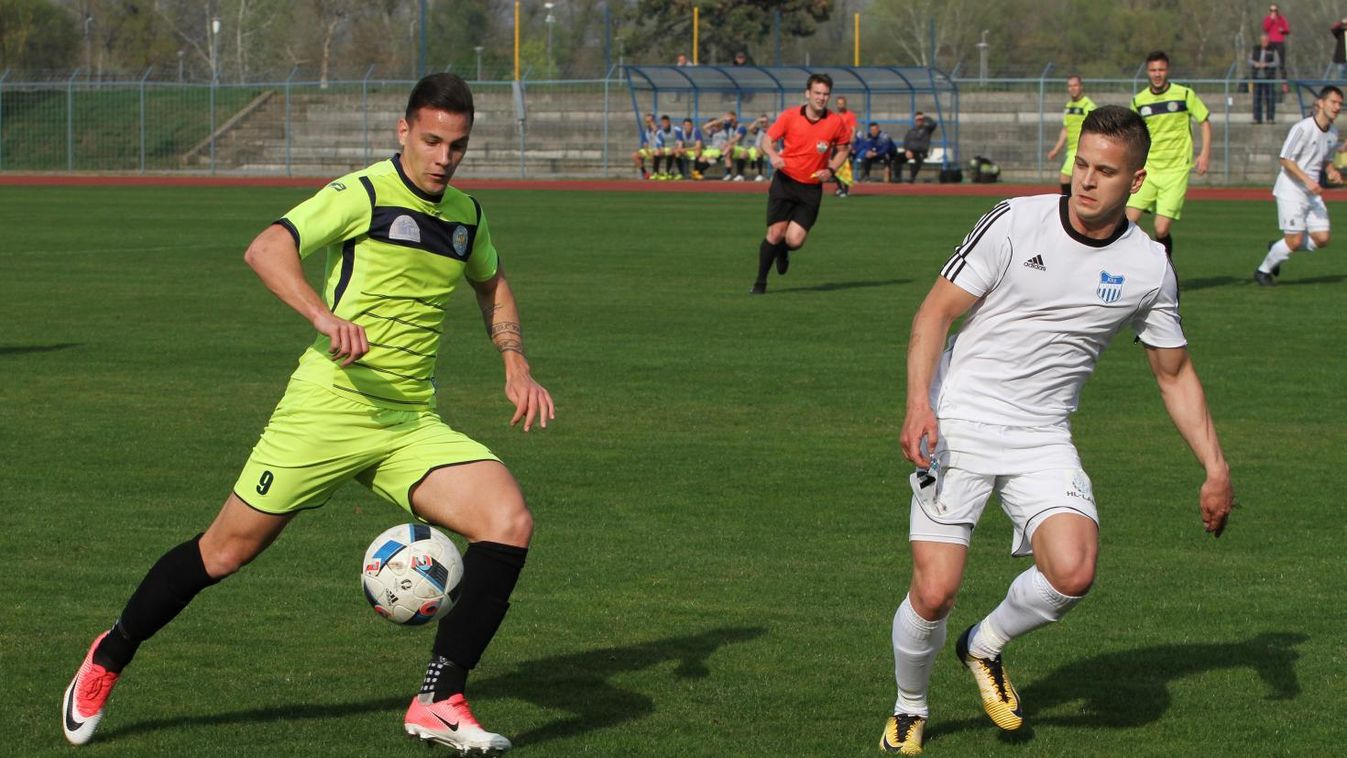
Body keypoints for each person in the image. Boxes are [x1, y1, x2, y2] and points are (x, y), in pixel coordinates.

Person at [60, 73, 556, 754]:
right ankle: (109, 655)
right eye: (433, 140)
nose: (444, 157)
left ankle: (439, 698)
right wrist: (324, 315)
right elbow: (266, 248)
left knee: (508, 522)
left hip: (407, 422)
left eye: (458, 146)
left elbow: (491, 281)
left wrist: (514, 360)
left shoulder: (467, 216)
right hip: (326, 410)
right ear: (403, 131)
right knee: (224, 552)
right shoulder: (361, 193)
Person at [880, 105, 1234, 756]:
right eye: (1080, 164)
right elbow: (934, 313)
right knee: (933, 591)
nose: (1085, 180)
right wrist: (917, 405)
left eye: (1104, 171)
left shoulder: (1147, 266)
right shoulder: (1016, 222)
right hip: (960, 415)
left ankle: (982, 646)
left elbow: (1174, 374)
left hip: (1042, 432)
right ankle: (909, 706)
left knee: (1072, 572)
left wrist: (1214, 467)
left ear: (1135, 180)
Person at [751, 73, 852, 294]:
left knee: (795, 240)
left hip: (811, 187)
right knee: (776, 232)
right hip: (785, 182)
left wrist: (832, 169)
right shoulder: (789, 116)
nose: (821, 97)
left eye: (825, 94)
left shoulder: (835, 122)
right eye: (817, 93)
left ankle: (782, 251)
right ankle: (760, 283)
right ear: (807, 94)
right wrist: (773, 155)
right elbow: (767, 140)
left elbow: (844, 149)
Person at [1255, 85, 1344, 286]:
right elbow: (1285, 159)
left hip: (1311, 192)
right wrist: (1308, 181)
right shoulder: (1303, 128)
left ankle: (1279, 247)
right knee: (1294, 240)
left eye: (1340, 103)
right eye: (1333, 102)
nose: (1337, 107)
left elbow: (1327, 161)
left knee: (1322, 238)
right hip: (1291, 189)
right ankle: (1263, 271)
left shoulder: (1333, 133)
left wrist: (1332, 171)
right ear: (1320, 103)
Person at [1127, 51, 1211, 261]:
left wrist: (1204, 153)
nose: (1157, 74)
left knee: (1161, 229)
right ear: (1147, 72)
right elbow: (1132, 134)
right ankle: (1136, 265)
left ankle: (1166, 271)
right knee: (1127, 221)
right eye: (1153, 70)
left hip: (1176, 170)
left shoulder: (1184, 95)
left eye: (1161, 70)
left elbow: (1205, 121)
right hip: (1149, 170)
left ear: (1168, 71)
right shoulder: (1139, 101)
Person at [1046, 75, 1097, 195]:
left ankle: (1068, 204)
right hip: (1070, 150)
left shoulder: (1088, 106)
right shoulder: (1068, 106)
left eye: (1075, 85)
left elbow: (1095, 128)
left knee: (1064, 177)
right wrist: (1056, 150)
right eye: (1070, 86)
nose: (1072, 88)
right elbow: (1065, 129)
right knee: (1077, 181)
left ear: (1081, 87)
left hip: (1082, 149)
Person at [893, 113, 939, 183]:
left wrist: (924, 117)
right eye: (917, 120)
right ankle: (897, 178)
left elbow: (934, 124)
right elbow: (906, 142)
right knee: (897, 158)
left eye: (921, 120)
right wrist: (907, 150)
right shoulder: (911, 131)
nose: (919, 121)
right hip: (910, 151)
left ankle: (912, 178)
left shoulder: (927, 130)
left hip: (920, 151)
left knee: (919, 159)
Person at [832, 95, 860, 197]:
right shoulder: (834, 116)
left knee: (845, 167)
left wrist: (851, 141)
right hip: (836, 144)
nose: (840, 106)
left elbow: (853, 129)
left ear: (845, 104)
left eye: (842, 103)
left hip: (845, 144)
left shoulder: (850, 115)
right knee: (833, 166)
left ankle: (846, 189)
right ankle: (839, 187)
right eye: (839, 104)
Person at [1250, 34, 1281, 125]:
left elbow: (1277, 62)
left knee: (1270, 98)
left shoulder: (1273, 50)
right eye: (1263, 40)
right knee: (1257, 98)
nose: (1264, 42)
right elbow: (1249, 60)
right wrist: (1256, 63)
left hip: (1269, 78)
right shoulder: (1255, 49)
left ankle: (1270, 118)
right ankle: (1257, 118)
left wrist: (1266, 65)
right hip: (1257, 77)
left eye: (1266, 40)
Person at [1263, 4, 1290, 84]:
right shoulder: (1267, 19)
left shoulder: (1282, 19)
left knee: (1281, 63)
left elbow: (1287, 30)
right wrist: (1271, 20)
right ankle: (1270, 82)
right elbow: (1266, 28)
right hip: (1270, 42)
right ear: (1269, 11)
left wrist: (1283, 30)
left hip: (1279, 42)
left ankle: (1284, 83)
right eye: (1271, 10)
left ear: (1278, 11)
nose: (1273, 12)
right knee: (1270, 62)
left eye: (1275, 10)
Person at [652, 114, 680, 180]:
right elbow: (659, 143)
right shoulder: (660, 132)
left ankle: (667, 172)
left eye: (666, 122)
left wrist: (675, 147)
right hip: (665, 148)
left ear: (669, 122)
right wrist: (661, 149)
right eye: (663, 122)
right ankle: (656, 173)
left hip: (674, 148)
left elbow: (680, 141)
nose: (664, 124)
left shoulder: (676, 129)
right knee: (656, 152)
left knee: (671, 152)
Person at [631, 111, 658, 179]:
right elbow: (645, 144)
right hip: (649, 150)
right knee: (634, 155)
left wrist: (652, 124)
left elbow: (655, 130)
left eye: (650, 121)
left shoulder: (658, 129)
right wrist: (648, 152)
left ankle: (655, 173)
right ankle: (645, 173)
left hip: (658, 149)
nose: (648, 123)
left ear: (653, 121)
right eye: (647, 121)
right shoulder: (645, 132)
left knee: (655, 154)